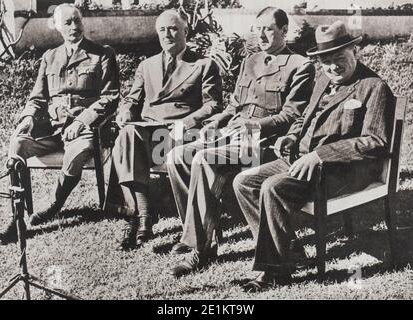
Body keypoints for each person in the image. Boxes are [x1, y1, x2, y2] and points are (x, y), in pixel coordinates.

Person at [233, 21, 396, 291]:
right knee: (244, 182)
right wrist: (292, 137)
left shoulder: (373, 87)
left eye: (339, 58)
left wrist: (320, 155)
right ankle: (292, 251)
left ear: (354, 51)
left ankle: (273, 272)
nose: (333, 67)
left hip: (341, 171)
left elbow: (374, 141)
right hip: (302, 159)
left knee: (273, 187)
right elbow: (303, 118)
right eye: (326, 61)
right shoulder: (323, 79)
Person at [167, 7, 315, 277]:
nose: (261, 35)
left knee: (202, 158)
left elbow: (292, 115)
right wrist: (217, 120)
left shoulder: (300, 65)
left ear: (284, 31)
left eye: (268, 29)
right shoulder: (251, 60)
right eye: (257, 29)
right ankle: (205, 230)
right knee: (177, 156)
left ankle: (201, 249)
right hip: (233, 132)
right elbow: (235, 104)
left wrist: (253, 125)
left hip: (264, 141)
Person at [0, 4, 120, 245]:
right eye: (67, 23)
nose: (74, 27)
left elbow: (111, 97)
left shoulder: (102, 54)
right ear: (56, 26)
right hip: (53, 128)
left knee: (75, 153)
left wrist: (84, 120)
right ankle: (18, 217)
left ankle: (54, 204)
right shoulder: (49, 57)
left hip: (86, 131)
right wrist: (28, 118)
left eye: (77, 21)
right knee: (18, 144)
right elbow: (37, 98)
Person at [111, 9, 223, 250]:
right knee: (127, 134)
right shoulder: (147, 65)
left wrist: (188, 122)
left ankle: (137, 217)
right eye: (162, 30)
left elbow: (213, 104)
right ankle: (142, 215)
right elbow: (133, 99)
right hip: (149, 132)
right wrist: (125, 112)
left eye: (173, 28)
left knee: (127, 143)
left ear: (185, 31)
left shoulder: (203, 65)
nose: (167, 34)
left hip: (180, 134)